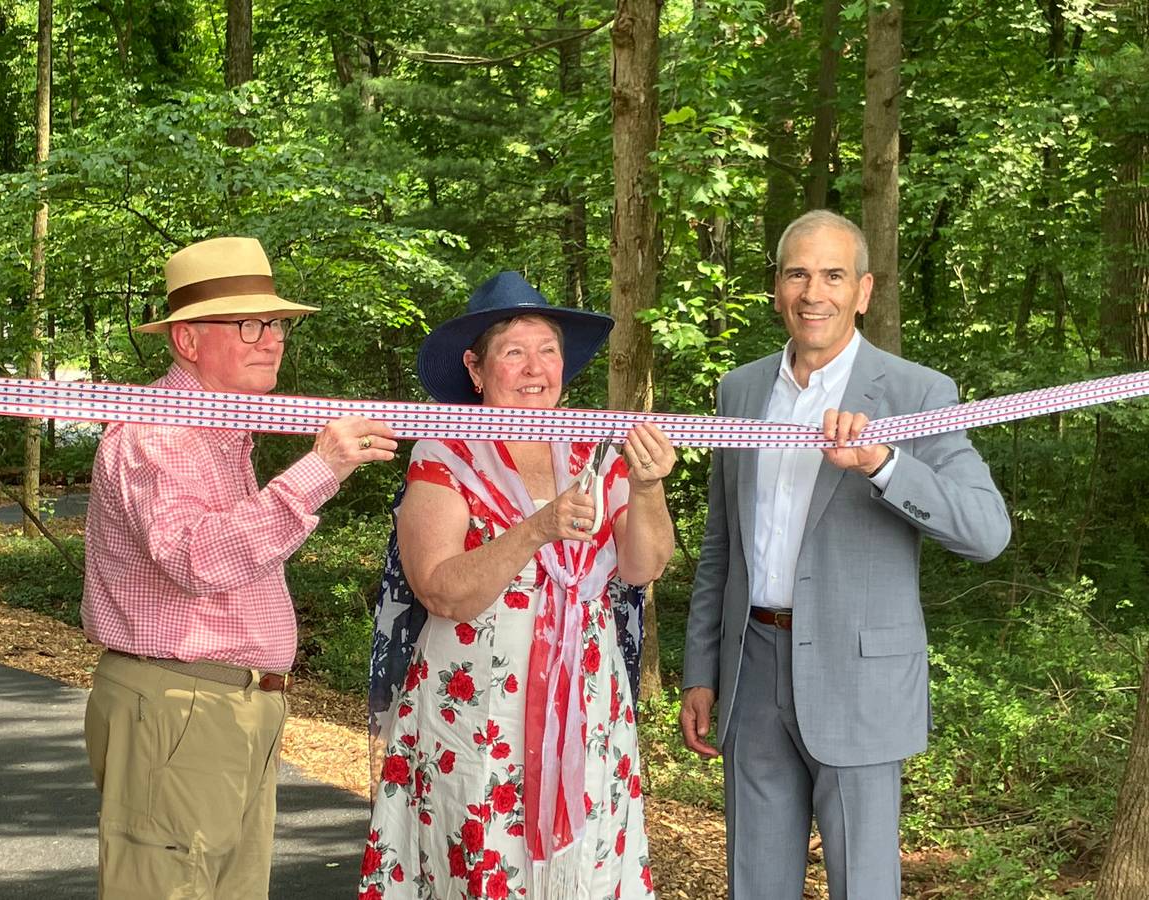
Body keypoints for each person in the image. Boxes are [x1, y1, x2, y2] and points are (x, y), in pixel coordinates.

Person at [680, 210, 1011, 900]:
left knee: (863, 887)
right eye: (798, 273)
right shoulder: (739, 392)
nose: (813, 293)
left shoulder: (917, 393)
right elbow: (722, 545)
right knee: (756, 886)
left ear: (864, 291)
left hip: (860, 685)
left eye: (832, 275)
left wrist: (884, 464)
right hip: (752, 674)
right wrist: (700, 670)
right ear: (776, 287)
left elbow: (986, 532)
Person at [81, 236, 398, 899]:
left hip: (224, 706)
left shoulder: (220, 433)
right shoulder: (159, 431)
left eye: (276, 323)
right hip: (180, 701)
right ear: (188, 341)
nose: (272, 339)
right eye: (248, 324)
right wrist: (321, 470)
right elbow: (197, 558)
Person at [359, 271, 675, 900]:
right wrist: (536, 529)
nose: (536, 367)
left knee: (585, 859)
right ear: (476, 370)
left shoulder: (596, 449)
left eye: (548, 350)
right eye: (514, 351)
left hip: (586, 703)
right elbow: (442, 590)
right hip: (476, 712)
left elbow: (644, 566)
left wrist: (646, 485)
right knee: (480, 852)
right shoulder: (445, 452)